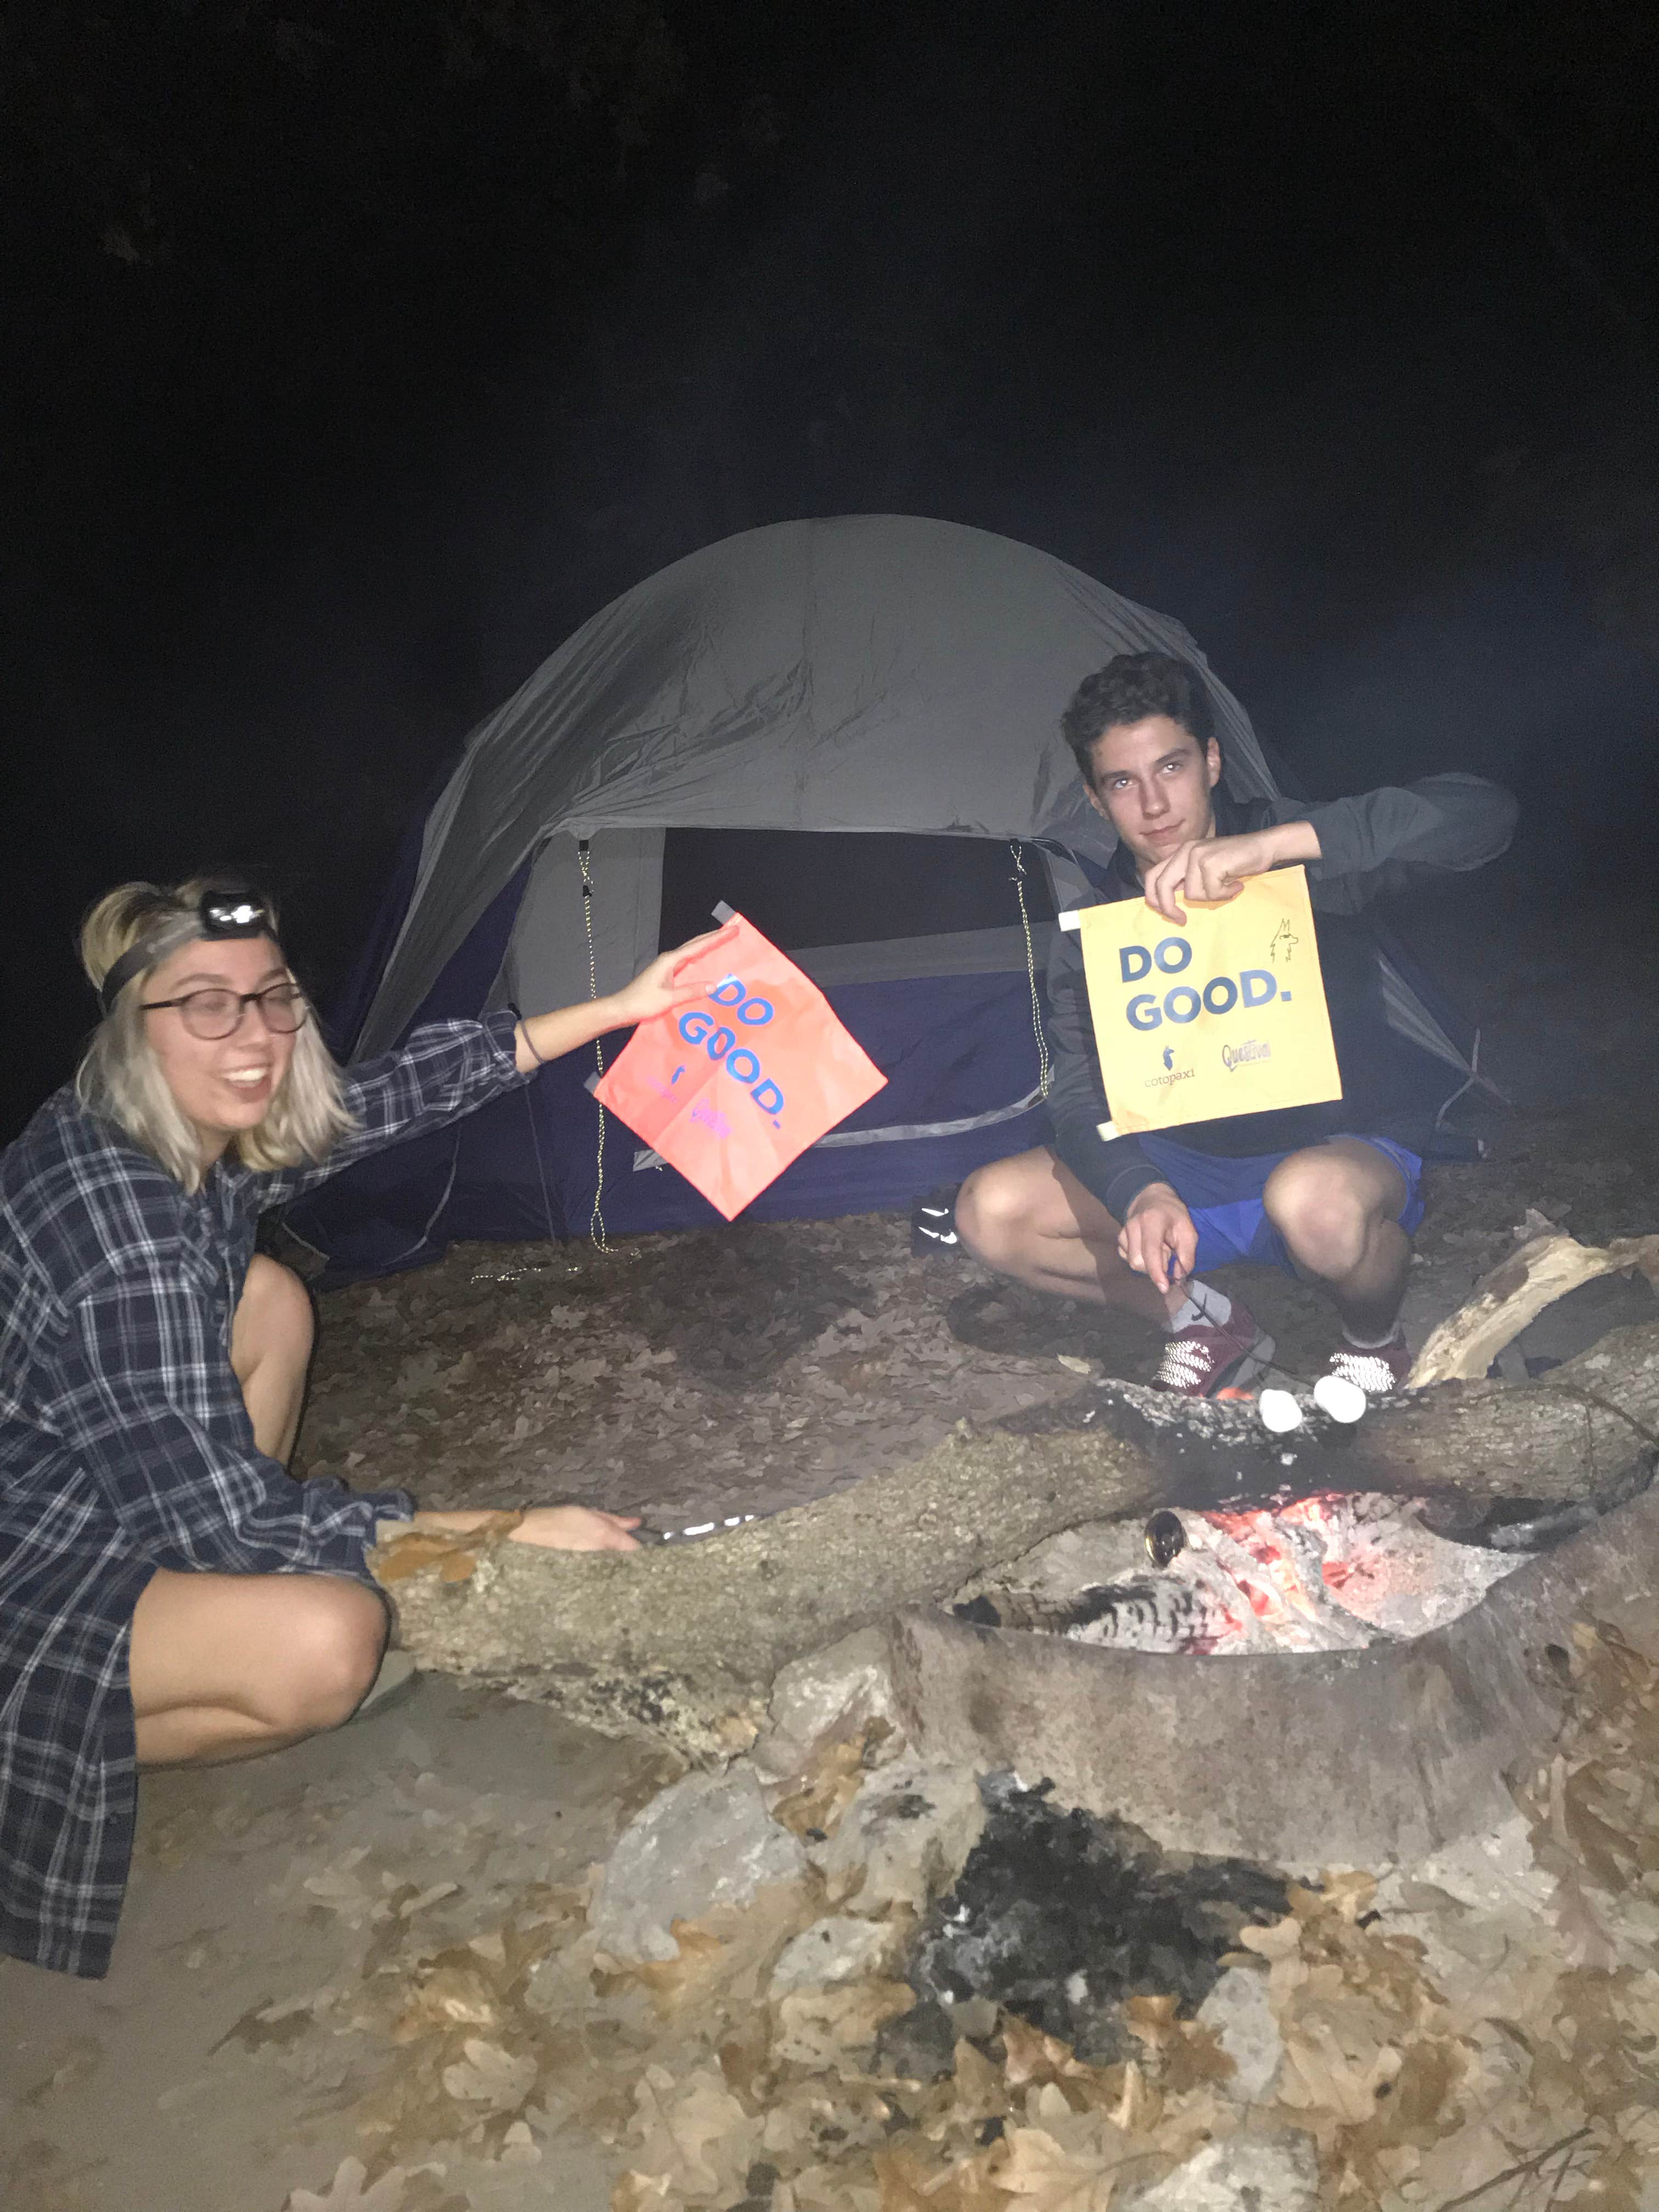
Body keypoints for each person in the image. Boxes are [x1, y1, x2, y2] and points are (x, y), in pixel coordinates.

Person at [0, 876, 729, 1979]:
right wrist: (511, 1526)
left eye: (272, 998)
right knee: (328, 1645)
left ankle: (182, 1628)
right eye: (206, 1004)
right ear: (129, 1030)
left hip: (94, 1481)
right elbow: (237, 1522)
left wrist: (624, 1007)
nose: (254, 1037)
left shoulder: (163, 1121)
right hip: (31, 1558)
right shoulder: (121, 1232)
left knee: (268, 1301)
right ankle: (38, 1749)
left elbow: (387, 1097)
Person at [955, 652, 1516, 1397]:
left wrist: (1273, 849)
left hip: (1332, 1155)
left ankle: (1375, 1343)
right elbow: (1079, 1095)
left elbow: (1484, 816)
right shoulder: (1098, 926)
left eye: (1172, 768)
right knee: (989, 1212)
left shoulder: (1298, 849)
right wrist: (1139, 1193)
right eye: (1124, 782)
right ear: (1096, 800)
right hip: (1189, 1173)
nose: (1154, 805)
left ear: (1214, 762)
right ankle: (1201, 1321)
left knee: (1311, 1202)